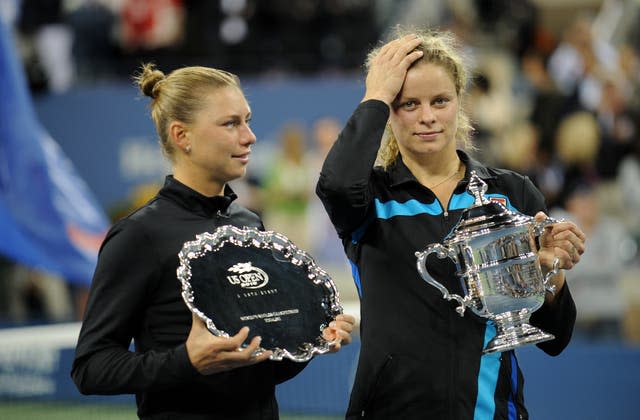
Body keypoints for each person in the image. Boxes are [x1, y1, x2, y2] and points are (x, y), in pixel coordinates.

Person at [316, 30, 586, 419]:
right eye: (408, 104)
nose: (427, 116)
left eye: (440, 100)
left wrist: (548, 275)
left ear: (459, 102)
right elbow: (335, 185)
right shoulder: (371, 198)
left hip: (491, 410)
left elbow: (556, 338)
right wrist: (374, 96)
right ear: (389, 112)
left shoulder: (510, 192)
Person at [71, 63, 355, 420]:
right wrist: (186, 361)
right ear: (181, 136)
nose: (250, 136)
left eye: (247, 120)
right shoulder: (139, 235)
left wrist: (312, 342)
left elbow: (259, 368)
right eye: (231, 123)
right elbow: (90, 367)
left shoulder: (249, 223)